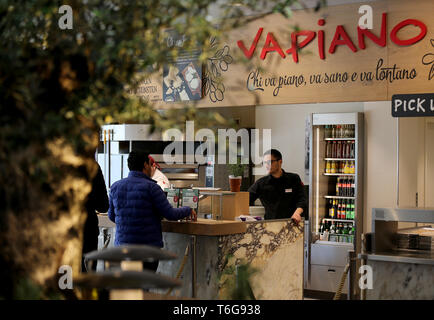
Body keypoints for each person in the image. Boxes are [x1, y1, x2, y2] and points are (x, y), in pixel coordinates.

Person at [108, 150, 196, 271]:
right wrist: (188, 209)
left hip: (123, 249)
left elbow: (111, 216)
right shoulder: (152, 188)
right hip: (147, 251)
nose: (151, 167)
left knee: (130, 286)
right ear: (145, 165)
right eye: (150, 164)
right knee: (144, 286)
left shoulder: (115, 187)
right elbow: (170, 214)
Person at [248, 149, 307, 222]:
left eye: (270, 162)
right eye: (264, 163)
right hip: (270, 224)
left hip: (292, 223)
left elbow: (302, 199)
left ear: (280, 162)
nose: (267, 165)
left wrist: (297, 213)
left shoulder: (293, 178)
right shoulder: (261, 183)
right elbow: (246, 199)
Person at [82, 161, 109, 272]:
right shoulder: (91, 167)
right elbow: (103, 206)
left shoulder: (56, 163)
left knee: (66, 277)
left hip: (62, 230)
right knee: (87, 271)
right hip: (87, 227)